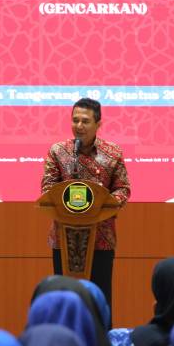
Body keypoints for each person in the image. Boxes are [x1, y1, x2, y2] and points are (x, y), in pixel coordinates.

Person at [41, 98, 130, 307]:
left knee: (99, 300)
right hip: (64, 238)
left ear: (98, 124)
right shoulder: (58, 151)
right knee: (65, 300)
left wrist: (103, 205)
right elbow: (47, 189)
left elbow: (123, 189)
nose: (79, 126)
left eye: (85, 121)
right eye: (75, 120)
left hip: (101, 238)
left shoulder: (113, 153)